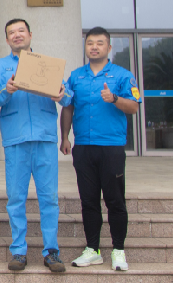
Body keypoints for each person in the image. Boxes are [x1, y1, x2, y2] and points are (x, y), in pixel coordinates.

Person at [0, 19, 70, 273]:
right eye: (11, 32)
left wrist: (61, 94)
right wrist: (6, 90)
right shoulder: (0, 67)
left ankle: (51, 251)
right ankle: (18, 251)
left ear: (30, 34)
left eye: (21, 30)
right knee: (16, 198)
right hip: (16, 139)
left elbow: (68, 96)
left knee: (49, 198)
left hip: (44, 138)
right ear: (6, 39)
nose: (17, 35)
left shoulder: (47, 64)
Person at [61, 26, 140, 272]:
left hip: (111, 147)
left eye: (99, 43)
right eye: (90, 43)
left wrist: (115, 99)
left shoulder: (122, 75)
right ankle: (92, 249)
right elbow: (68, 107)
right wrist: (64, 137)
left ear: (109, 47)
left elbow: (134, 107)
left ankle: (118, 250)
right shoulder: (76, 76)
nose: (94, 47)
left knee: (115, 200)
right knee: (88, 200)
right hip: (84, 147)